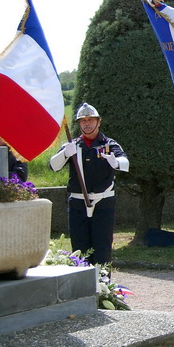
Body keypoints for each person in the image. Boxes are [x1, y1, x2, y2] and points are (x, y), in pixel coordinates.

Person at [50, 103, 128, 265]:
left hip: (103, 203)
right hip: (78, 203)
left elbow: (124, 162)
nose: (87, 123)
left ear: (98, 122)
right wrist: (65, 153)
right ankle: (84, 286)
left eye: (91, 120)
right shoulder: (72, 145)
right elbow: (53, 166)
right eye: (83, 120)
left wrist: (115, 162)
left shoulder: (108, 144)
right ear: (79, 124)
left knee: (102, 247)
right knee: (80, 249)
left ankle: (103, 286)